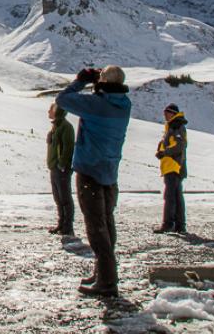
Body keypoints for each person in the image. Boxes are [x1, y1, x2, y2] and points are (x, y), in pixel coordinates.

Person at [55, 65, 132, 298]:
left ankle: (107, 281)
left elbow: (63, 99)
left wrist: (81, 81)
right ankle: (103, 273)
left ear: (104, 82)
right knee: (107, 222)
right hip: (110, 171)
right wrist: (100, 85)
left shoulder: (97, 105)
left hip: (90, 170)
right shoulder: (123, 104)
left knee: (95, 227)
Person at [156, 104, 188, 234]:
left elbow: (179, 145)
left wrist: (165, 153)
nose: (164, 115)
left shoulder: (176, 126)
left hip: (174, 166)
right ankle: (179, 225)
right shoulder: (172, 126)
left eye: (167, 112)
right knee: (176, 196)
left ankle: (168, 224)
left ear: (172, 113)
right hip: (171, 166)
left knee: (170, 196)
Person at [46, 103, 76, 236]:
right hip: (54, 168)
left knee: (65, 198)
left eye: (51, 109)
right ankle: (62, 223)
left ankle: (68, 226)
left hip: (61, 169)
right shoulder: (56, 127)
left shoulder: (66, 127)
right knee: (58, 198)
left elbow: (68, 148)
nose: (48, 111)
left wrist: (62, 164)